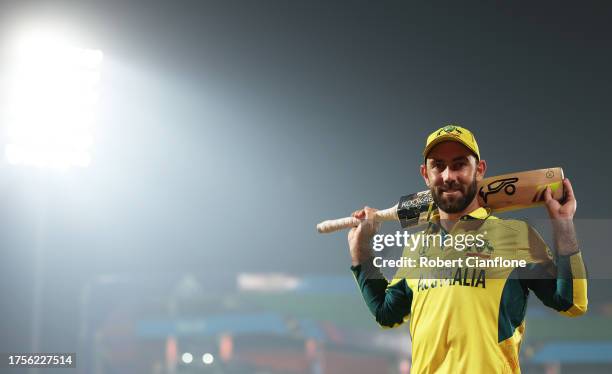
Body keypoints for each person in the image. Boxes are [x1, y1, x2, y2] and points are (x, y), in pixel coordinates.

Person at [348, 124, 587, 373]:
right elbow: (386, 313)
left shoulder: (517, 236)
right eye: (438, 165)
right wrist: (361, 251)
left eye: (459, 164)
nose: (448, 176)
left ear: (479, 170)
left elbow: (572, 303)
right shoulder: (416, 247)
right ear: (425, 174)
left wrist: (563, 226)